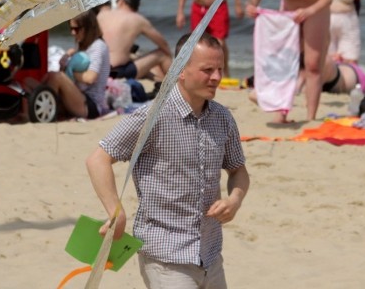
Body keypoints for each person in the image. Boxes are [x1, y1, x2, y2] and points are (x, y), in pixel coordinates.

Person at [86, 33, 249, 289]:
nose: (217, 77)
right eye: (207, 70)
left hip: (209, 255)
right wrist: (116, 212)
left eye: (219, 68)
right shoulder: (152, 116)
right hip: (165, 258)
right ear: (180, 71)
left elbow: (238, 170)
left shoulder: (222, 118)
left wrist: (234, 200)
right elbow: (98, 159)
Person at [246, 0, 331, 122]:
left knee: (312, 64)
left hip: (315, 11)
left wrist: (308, 11)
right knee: (282, 62)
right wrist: (251, 7)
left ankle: (311, 117)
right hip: (289, 13)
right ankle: (282, 111)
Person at [38, 10, 110, 119]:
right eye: (71, 29)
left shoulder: (98, 46)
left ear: (88, 28)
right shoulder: (84, 46)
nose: (72, 33)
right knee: (31, 81)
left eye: (76, 29)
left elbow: (90, 78)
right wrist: (66, 58)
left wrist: (69, 71)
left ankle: (49, 112)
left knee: (56, 77)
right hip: (79, 97)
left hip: (90, 105)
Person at [97, 0, 172, 81]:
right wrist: (171, 57)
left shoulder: (102, 15)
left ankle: (159, 81)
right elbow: (163, 44)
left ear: (121, 1)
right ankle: (173, 86)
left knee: (132, 58)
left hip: (96, 70)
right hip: (117, 73)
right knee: (162, 54)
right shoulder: (137, 19)